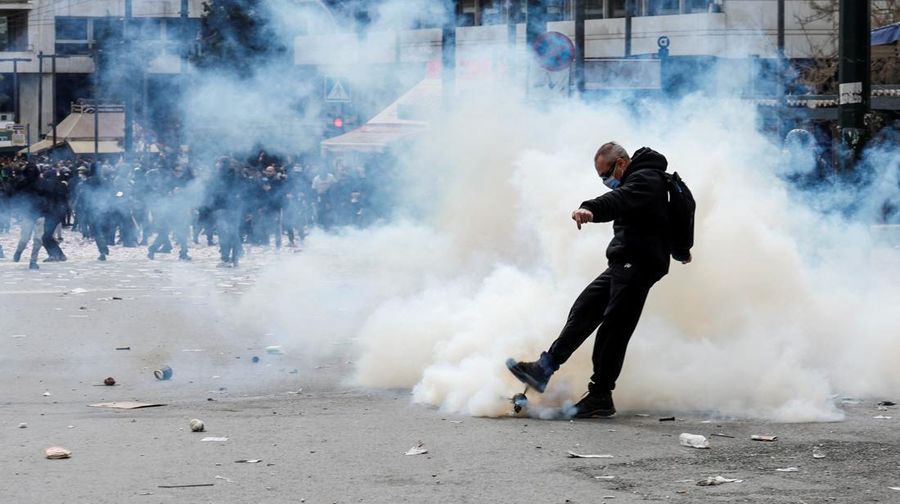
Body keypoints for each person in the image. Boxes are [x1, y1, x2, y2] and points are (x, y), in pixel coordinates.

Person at [507, 142, 690, 418]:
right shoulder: (642, 178)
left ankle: (601, 395)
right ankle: (544, 369)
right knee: (586, 308)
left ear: (621, 163)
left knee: (614, 327)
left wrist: (590, 208)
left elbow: (619, 200)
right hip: (625, 263)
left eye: (606, 174)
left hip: (638, 264)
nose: (607, 182)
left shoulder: (645, 178)